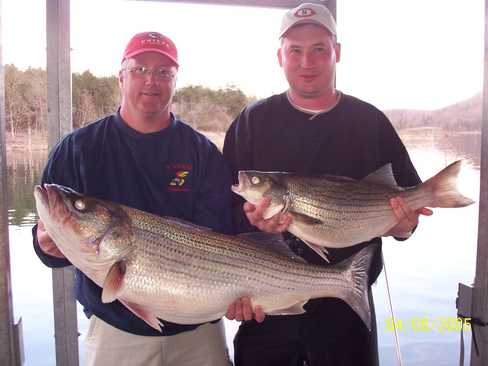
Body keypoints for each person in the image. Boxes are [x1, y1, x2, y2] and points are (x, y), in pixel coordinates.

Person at [223, 3, 432, 366]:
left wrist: (404, 225)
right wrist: (249, 223)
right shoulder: (251, 121)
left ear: (337, 52)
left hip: (346, 307)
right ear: (280, 56)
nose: (307, 62)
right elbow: (225, 213)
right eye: (296, 51)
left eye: (319, 48)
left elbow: (407, 215)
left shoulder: (370, 123)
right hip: (267, 302)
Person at [33, 31, 233, 366]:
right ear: (121, 76)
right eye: (140, 69)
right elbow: (47, 250)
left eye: (163, 73)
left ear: (175, 81)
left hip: (199, 335)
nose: (151, 81)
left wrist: (243, 296)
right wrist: (46, 244)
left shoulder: (203, 153)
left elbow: (221, 237)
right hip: (115, 333)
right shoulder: (77, 149)